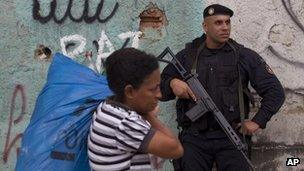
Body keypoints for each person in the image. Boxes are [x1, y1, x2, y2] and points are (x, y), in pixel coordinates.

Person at [160, 4, 285, 171]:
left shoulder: (243, 56)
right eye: (218, 23)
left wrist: (257, 121)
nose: (225, 27)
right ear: (205, 26)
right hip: (195, 139)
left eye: (228, 22)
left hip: (231, 138)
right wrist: (172, 83)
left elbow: (275, 92)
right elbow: (160, 89)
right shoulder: (187, 56)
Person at [87, 48, 184, 171]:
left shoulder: (106, 107)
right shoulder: (127, 123)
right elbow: (176, 149)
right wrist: (149, 115)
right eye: (153, 89)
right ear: (130, 91)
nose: (159, 95)